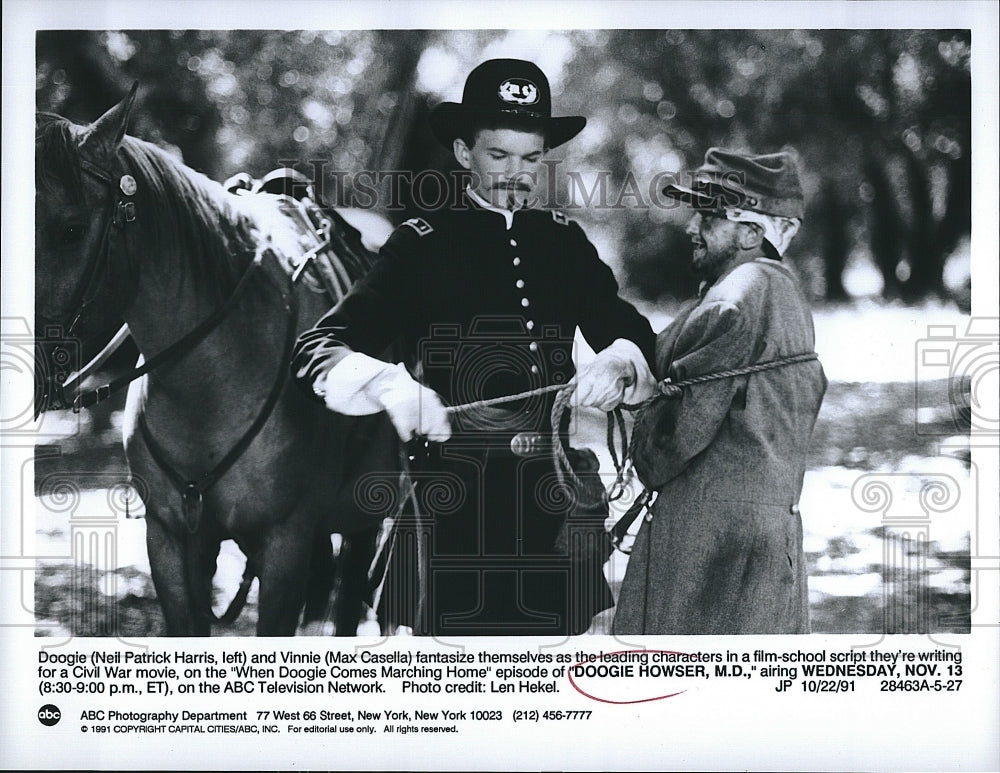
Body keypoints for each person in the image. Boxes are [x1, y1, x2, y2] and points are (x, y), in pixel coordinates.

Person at [292, 59, 656, 636]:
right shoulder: (419, 248)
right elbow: (318, 348)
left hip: (553, 511)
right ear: (464, 153)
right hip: (448, 518)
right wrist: (391, 387)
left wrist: (620, 358)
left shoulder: (564, 244)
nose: (517, 173)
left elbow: (633, 332)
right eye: (499, 155)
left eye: (531, 158)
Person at [612, 148, 827, 635]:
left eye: (708, 217)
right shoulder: (785, 296)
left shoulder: (732, 300)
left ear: (751, 232)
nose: (691, 227)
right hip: (767, 539)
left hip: (709, 551)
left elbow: (669, 447)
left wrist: (640, 406)